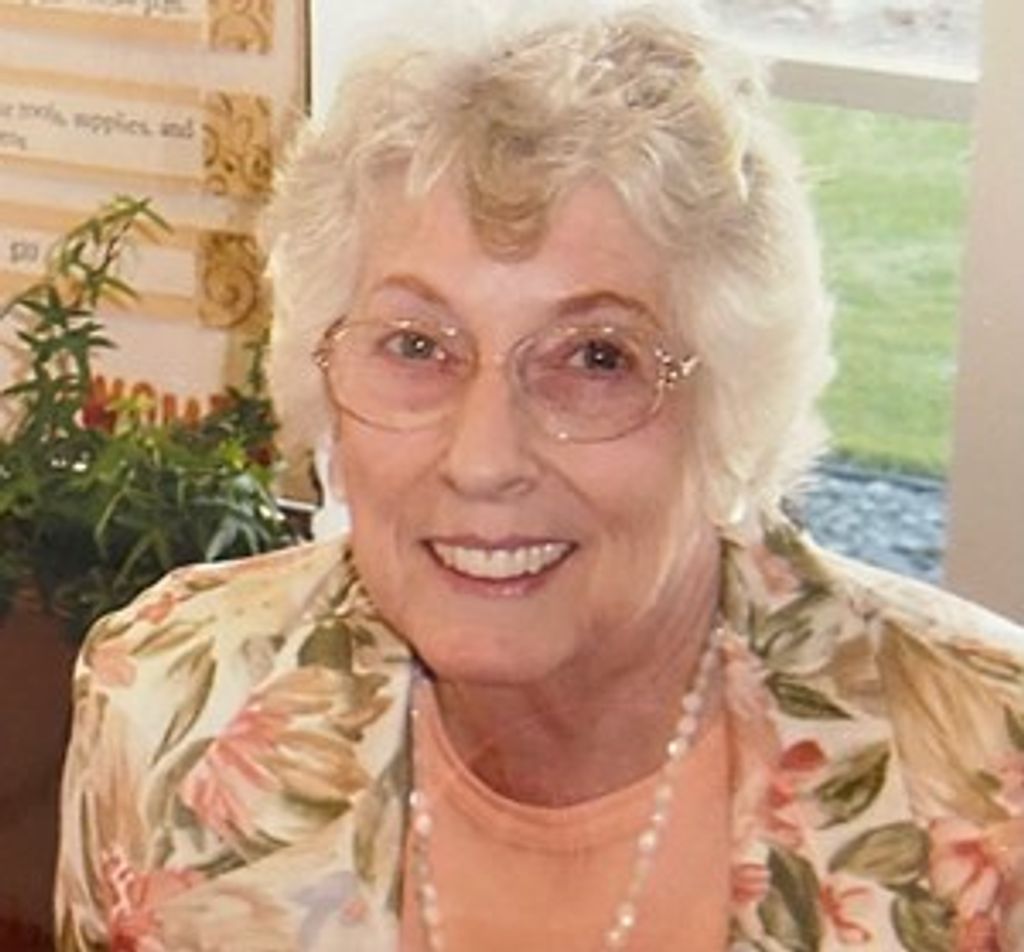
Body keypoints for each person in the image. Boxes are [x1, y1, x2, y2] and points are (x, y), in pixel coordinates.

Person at [55, 4, 1024, 950]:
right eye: (415, 344)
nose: (482, 460)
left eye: (596, 358)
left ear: (731, 400)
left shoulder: (992, 781)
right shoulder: (170, 700)